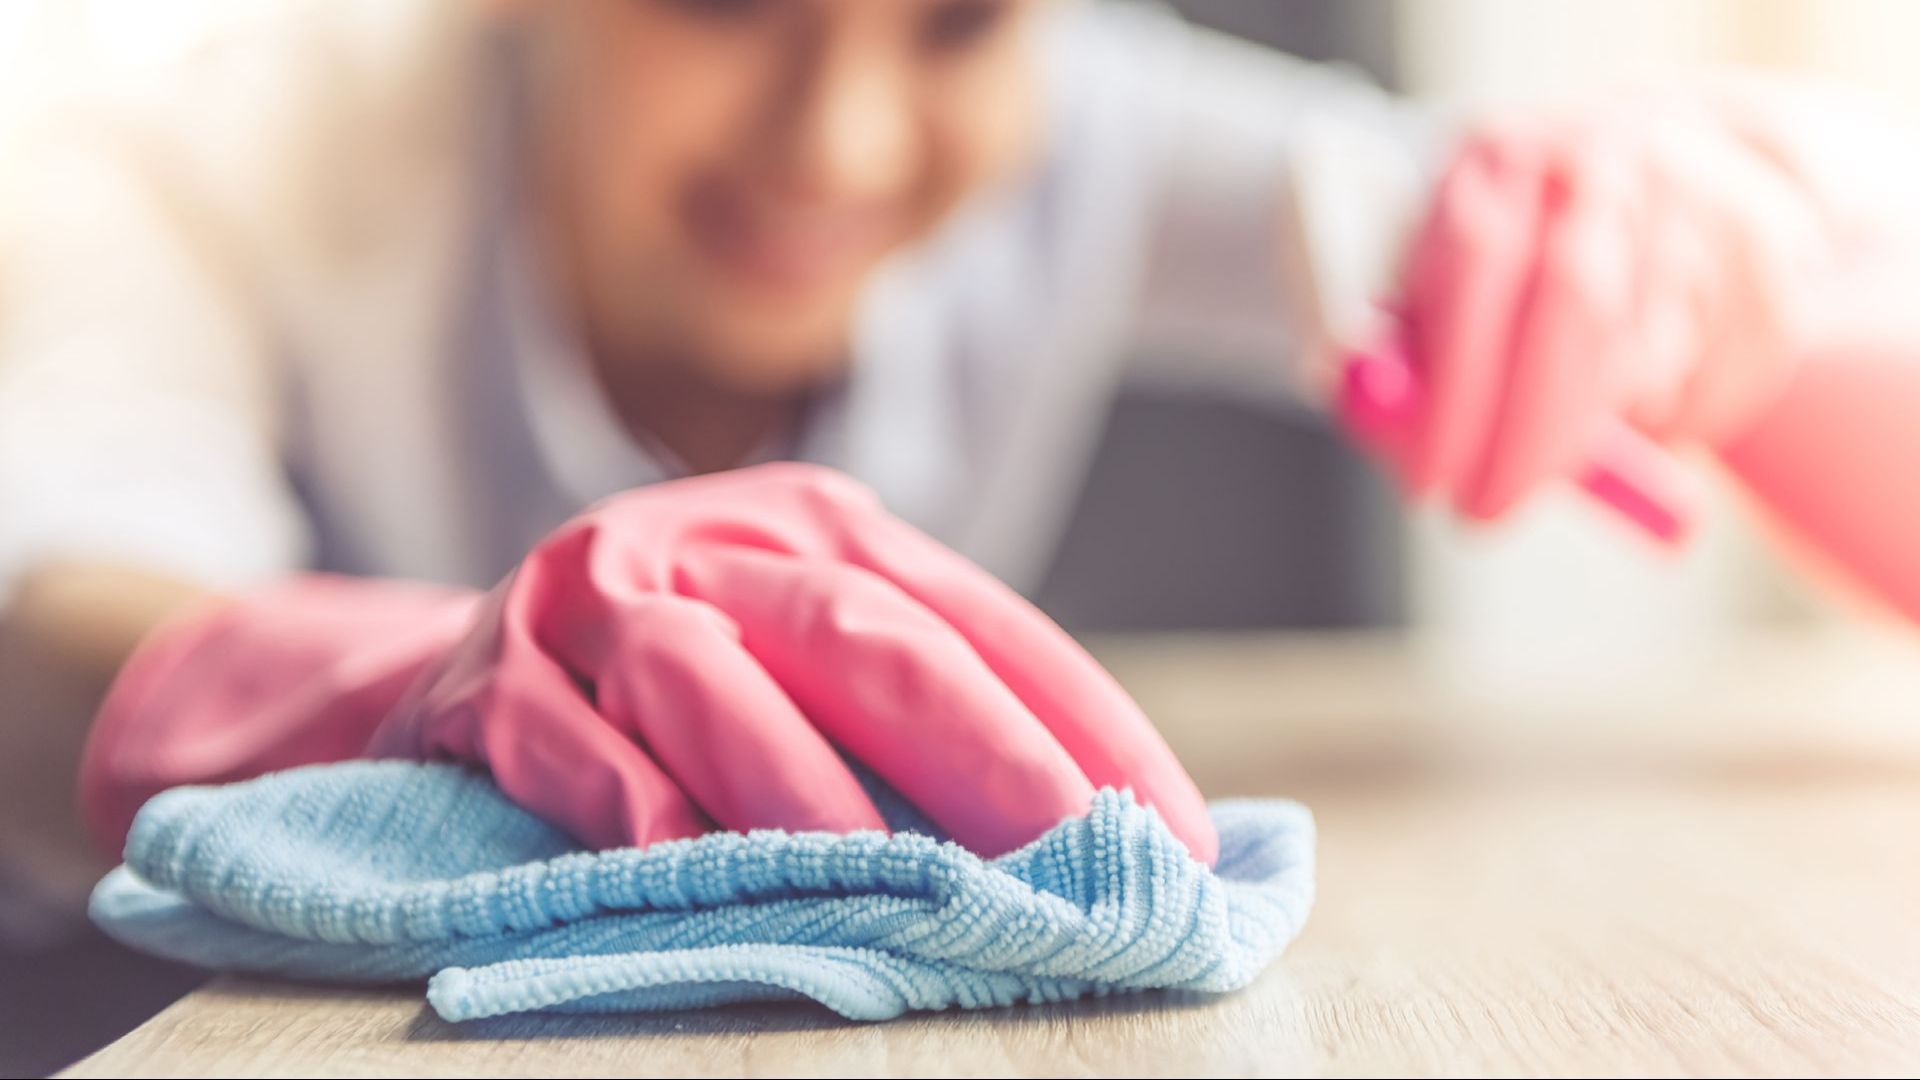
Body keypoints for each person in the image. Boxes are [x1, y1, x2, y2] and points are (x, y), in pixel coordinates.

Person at [4, 0, 1920, 871]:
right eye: (720, 4)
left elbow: (1674, 307)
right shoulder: (206, 145)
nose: (836, 138)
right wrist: (424, 680)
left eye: (957, 25)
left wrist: (1722, 269)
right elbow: (41, 636)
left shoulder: (1085, 125)